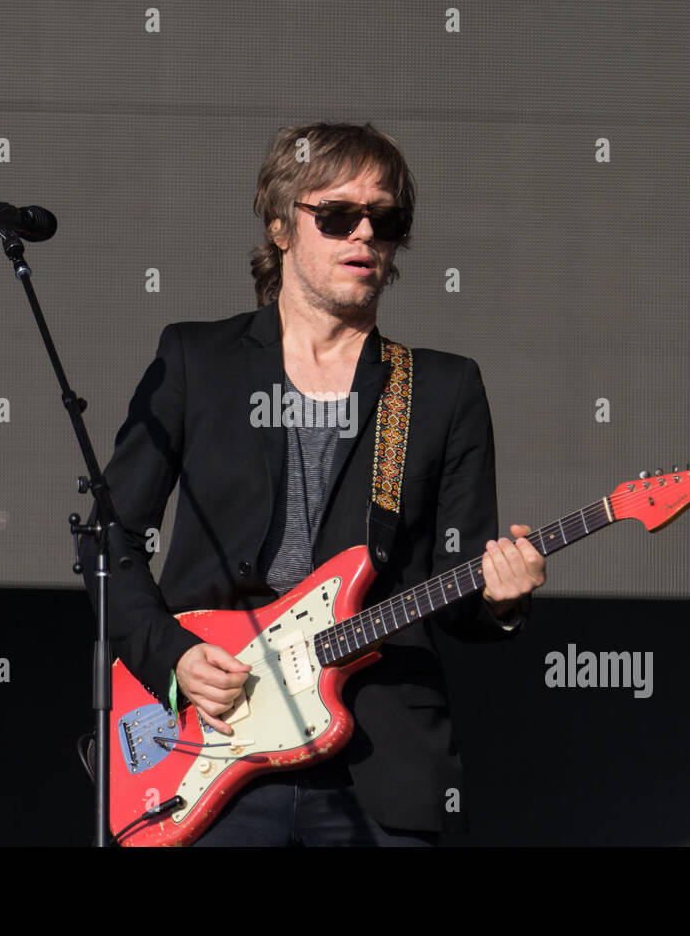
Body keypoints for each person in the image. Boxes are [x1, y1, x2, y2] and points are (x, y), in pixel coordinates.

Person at [94, 122, 546, 846]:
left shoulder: (440, 387)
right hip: (208, 739)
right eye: (337, 215)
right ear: (280, 225)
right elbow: (105, 540)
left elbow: (454, 591)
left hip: (377, 761)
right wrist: (172, 657)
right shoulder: (196, 359)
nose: (364, 234)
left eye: (385, 219)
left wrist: (500, 600)